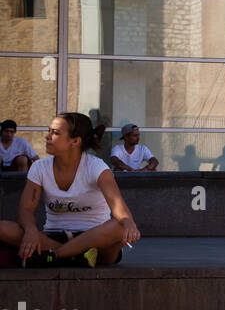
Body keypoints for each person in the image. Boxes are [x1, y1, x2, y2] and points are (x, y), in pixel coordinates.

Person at [0, 113, 140, 268]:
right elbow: (26, 209)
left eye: (55, 133)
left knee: (119, 226)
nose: (47, 137)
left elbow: (118, 206)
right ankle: (76, 256)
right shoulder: (39, 167)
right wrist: (31, 230)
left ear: (75, 141)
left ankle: (56, 255)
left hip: (94, 238)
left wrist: (128, 223)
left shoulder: (97, 167)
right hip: (54, 236)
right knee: (3, 228)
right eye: (49, 131)